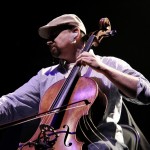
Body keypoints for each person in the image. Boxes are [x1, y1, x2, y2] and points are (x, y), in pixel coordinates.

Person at [0, 13, 150, 150]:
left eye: (54, 34)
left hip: (102, 141)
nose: (48, 41)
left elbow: (146, 92)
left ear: (75, 33)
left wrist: (103, 69)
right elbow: (11, 104)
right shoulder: (45, 75)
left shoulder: (111, 64)